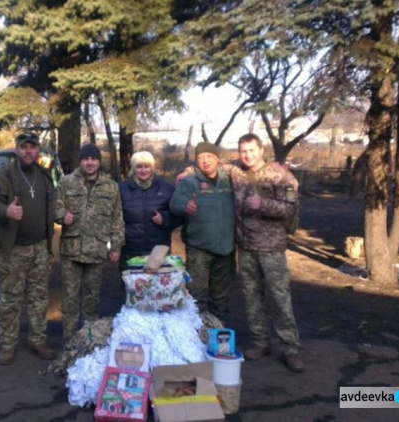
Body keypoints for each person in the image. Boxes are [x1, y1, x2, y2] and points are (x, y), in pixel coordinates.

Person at [232, 133, 304, 373]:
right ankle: (260, 342)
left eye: (251, 150)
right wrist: (187, 172)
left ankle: (290, 348)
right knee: (252, 298)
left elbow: (290, 209)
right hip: (247, 248)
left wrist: (263, 205)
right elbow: (210, 165)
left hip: (271, 248)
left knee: (280, 298)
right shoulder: (238, 173)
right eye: (243, 151)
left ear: (261, 150)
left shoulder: (280, 175)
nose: (247, 155)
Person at [0, 132, 56, 365]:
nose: (28, 151)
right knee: (11, 300)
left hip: (40, 248)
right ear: (17, 150)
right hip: (12, 250)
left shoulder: (44, 176)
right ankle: (8, 345)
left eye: (32, 147)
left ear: (38, 151)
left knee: (39, 298)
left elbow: (51, 206)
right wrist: (7, 211)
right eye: (23, 147)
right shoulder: (4, 175)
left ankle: (38, 340)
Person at [55, 143, 124, 342]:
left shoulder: (111, 186)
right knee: (69, 298)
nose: (90, 163)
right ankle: (69, 340)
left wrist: (116, 246)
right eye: (86, 159)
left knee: (92, 298)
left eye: (94, 159)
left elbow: (117, 218)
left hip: (97, 250)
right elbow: (55, 207)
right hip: (72, 250)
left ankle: (88, 339)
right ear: (81, 161)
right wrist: (61, 216)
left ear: (99, 162)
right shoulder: (66, 182)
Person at [169, 142, 235, 319]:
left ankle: (219, 337)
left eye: (209, 157)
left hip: (226, 249)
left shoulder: (230, 180)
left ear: (217, 158)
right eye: (200, 158)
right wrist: (185, 206)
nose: (205, 161)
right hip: (199, 249)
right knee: (196, 297)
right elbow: (174, 204)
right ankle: (197, 337)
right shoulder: (190, 182)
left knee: (221, 299)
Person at [118, 151, 179, 266]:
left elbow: (179, 215)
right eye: (139, 166)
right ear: (133, 169)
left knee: (157, 284)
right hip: (130, 251)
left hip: (159, 251)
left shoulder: (166, 188)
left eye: (147, 166)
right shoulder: (121, 189)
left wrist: (164, 219)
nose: (143, 170)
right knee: (132, 283)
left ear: (152, 168)